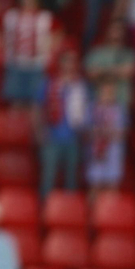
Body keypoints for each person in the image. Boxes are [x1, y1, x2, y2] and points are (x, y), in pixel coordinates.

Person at [39, 51, 90, 199]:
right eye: (67, 62)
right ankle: (45, 211)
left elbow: (87, 110)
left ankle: (69, 212)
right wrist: (40, 131)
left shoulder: (80, 86)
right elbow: (38, 109)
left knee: (71, 177)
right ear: (60, 64)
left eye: (72, 62)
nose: (69, 65)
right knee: (48, 176)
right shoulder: (50, 84)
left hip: (73, 138)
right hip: (52, 137)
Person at [3, 0, 54, 106]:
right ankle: (14, 124)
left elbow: (56, 34)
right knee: (15, 100)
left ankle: (31, 124)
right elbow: (5, 37)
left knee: (35, 101)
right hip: (15, 63)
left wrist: (46, 50)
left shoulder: (44, 17)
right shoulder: (11, 16)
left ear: (37, 0)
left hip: (36, 64)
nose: (28, 0)